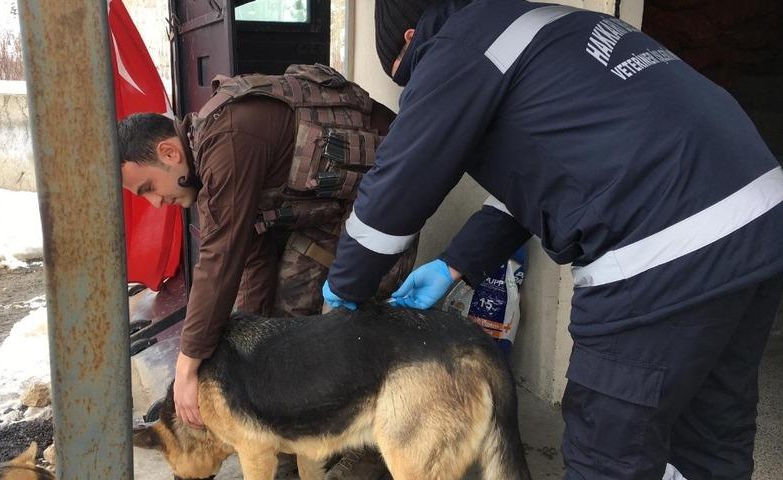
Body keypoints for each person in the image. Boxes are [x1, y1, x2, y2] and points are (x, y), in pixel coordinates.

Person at [322, 1, 783, 479]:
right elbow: (537, 183)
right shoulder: (548, 28)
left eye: (404, 77)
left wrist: (345, 293)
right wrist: (455, 264)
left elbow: (395, 189)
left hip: (665, 246)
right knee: (711, 434)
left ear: (411, 38)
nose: (410, 89)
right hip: (761, 216)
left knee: (608, 452)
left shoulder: (458, 47)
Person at [118, 64, 413, 479]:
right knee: (283, 321)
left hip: (388, 195)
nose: (156, 203)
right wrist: (244, 350)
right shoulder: (210, 167)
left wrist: (187, 367)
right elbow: (251, 262)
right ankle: (294, 445)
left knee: (325, 320)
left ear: (169, 153)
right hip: (332, 213)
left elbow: (220, 258)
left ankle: (367, 450)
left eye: (148, 188)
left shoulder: (227, 142)